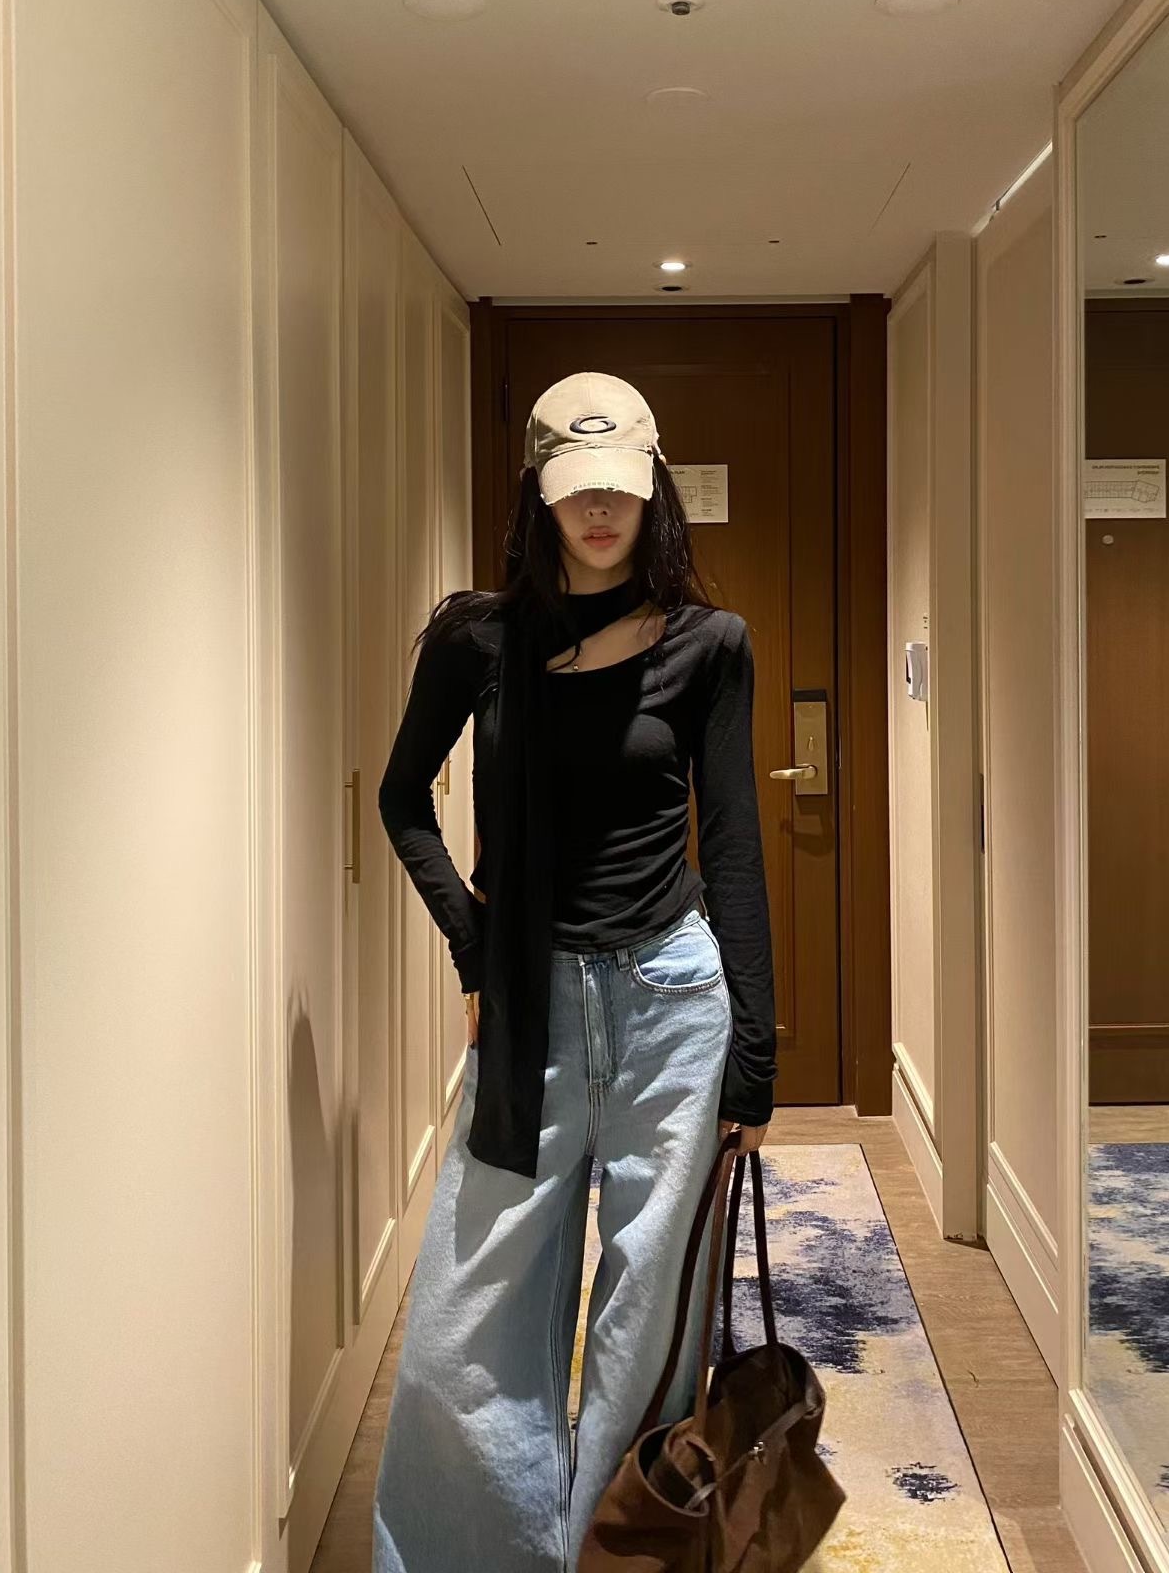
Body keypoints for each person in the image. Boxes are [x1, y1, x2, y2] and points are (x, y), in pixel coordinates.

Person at [370, 370, 778, 1573]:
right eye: (575, 489)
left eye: (619, 487)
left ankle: (620, 1552)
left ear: (653, 488)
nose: (599, 511)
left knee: (649, 1322)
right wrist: (474, 949)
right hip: (533, 1010)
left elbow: (735, 848)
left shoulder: (711, 645)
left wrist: (756, 1058)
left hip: (672, 1004)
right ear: (538, 496)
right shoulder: (478, 641)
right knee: (465, 1325)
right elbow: (403, 799)